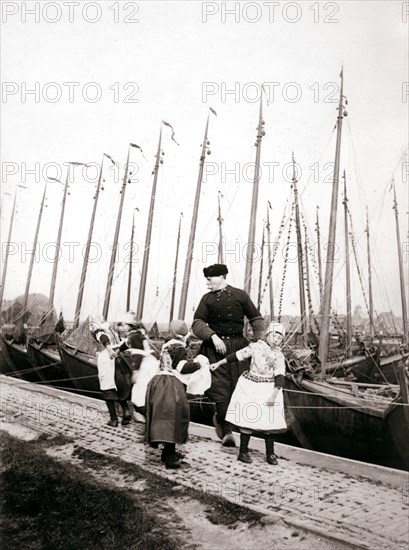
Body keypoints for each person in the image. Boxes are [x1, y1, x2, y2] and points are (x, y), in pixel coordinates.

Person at [192, 263, 264, 447]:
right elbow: (197, 323)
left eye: (210, 279)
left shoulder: (241, 295)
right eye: (206, 280)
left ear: (222, 276)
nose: (207, 283)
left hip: (239, 347)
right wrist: (213, 336)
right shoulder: (206, 299)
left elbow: (256, 318)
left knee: (240, 387)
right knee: (220, 389)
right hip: (215, 350)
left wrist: (258, 341)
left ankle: (236, 425)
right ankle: (226, 432)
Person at [209, 322, 287, 465]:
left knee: (269, 422)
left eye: (280, 337)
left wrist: (274, 395)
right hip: (251, 386)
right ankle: (243, 452)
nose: (276, 339)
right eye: (274, 335)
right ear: (268, 334)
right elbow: (237, 356)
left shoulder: (279, 356)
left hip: (269, 388)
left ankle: (270, 453)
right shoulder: (256, 347)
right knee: (248, 419)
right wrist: (219, 363)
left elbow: (280, 376)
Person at [145, 320, 210, 469]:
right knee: (174, 417)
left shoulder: (167, 345)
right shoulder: (179, 347)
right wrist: (200, 364)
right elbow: (182, 368)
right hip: (170, 385)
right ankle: (169, 456)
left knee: (164, 417)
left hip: (158, 381)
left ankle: (168, 451)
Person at [89, 312, 138, 427]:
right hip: (119, 355)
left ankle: (113, 419)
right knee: (118, 385)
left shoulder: (97, 328)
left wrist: (108, 348)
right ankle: (126, 411)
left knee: (107, 387)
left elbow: (102, 337)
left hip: (107, 357)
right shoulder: (111, 327)